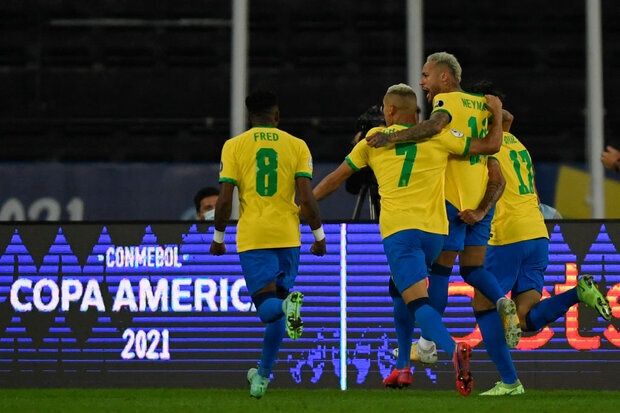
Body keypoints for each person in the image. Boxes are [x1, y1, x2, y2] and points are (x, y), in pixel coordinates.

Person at [313, 83, 505, 396]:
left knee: (417, 301)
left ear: (389, 110)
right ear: (415, 112)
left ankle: (452, 349)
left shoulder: (374, 139)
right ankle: (402, 366)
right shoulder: (441, 136)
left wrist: (303, 206)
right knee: (398, 290)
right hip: (436, 233)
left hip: (401, 232)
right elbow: (489, 146)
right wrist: (496, 116)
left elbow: (335, 180)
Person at [369, 53, 521, 363]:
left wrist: (392, 137)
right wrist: (494, 113)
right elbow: (504, 123)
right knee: (473, 269)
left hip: (452, 197)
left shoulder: (445, 101)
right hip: (479, 197)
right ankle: (501, 300)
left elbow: (435, 126)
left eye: (426, 75)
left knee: (439, 271)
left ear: (445, 77)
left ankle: (427, 345)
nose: (422, 82)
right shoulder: (480, 103)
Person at [467, 81, 612, 396]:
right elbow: (508, 120)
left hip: (508, 233)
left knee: (482, 303)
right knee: (526, 319)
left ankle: (510, 382)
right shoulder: (517, 143)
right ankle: (578, 293)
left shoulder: (485, 145)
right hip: (538, 232)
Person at [210, 90, 326, 399]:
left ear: (250, 117)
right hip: (289, 237)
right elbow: (306, 197)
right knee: (277, 314)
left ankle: (288, 306)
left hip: (255, 236)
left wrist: (218, 237)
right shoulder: (297, 145)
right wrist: (318, 236)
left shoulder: (234, 146)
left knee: (268, 309)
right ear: (277, 116)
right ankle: (261, 377)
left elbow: (225, 199)